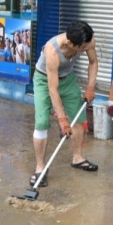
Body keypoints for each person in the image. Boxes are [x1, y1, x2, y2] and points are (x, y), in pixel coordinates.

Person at [30, 20, 99, 188]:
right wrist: (62, 119)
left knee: (78, 117)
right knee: (41, 122)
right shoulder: (52, 51)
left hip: (68, 78)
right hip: (44, 80)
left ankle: (78, 158)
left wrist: (90, 87)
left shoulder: (87, 40)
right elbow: (53, 89)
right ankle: (40, 168)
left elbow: (93, 62)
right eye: (81, 47)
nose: (85, 49)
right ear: (70, 43)